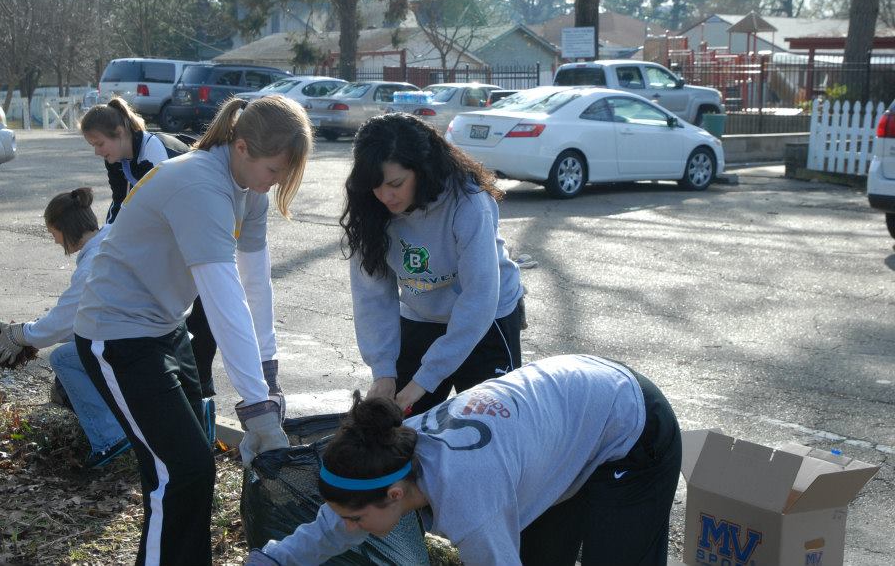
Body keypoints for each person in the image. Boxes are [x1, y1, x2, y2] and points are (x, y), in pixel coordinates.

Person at [74, 95, 313, 566]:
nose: (275, 184)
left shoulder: (250, 189)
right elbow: (224, 301)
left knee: (184, 470)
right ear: (242, 147)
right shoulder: (200, 185)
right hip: (116, 336)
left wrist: (267, 371)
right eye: (273, 171)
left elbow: (255, 283)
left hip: (164, 329)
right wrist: (256, 407)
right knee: (182, 472)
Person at [246, 354, 682, 566]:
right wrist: (274, 560)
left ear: (395, 495)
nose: (348, 527)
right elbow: (335, 523)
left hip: (631, 421)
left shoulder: (472, 505)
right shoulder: (389, 453)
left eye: (356, 520)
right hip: (570, 412)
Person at [341, 113, 525, 416]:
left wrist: (426, 378)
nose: (385, 196)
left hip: (488, 318)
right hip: (422, 316)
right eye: (376, 186)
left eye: (396, 183)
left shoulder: (468, 203)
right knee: (403, 423)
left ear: (422, 169)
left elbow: (478, 298)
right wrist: (384, 370)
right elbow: (372, 296)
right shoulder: (370, 209)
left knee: (491, 424)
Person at [80, 98, 219, 437]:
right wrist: (103, 247)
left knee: (199, 328)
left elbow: (170, 216)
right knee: (177, 333)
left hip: (195, 249)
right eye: (93, 146)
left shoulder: (159, 157)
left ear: (121, 131)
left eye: (100, 143)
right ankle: (188, 416)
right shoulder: (121, 158)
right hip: (167, 253)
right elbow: (120, 206)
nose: (98, 151)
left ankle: (203, 419)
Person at [0, 188, 131, 468]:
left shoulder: (93, 262)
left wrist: (20, 334)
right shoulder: (111, 239)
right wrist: (28, 334)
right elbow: (79, 321)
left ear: (64, 228)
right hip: (147, 330)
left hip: (132, 340)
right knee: (77, 351)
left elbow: (64, 321)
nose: (54, 241)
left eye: (53, 234)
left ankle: (109, 438)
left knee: (64, 358)